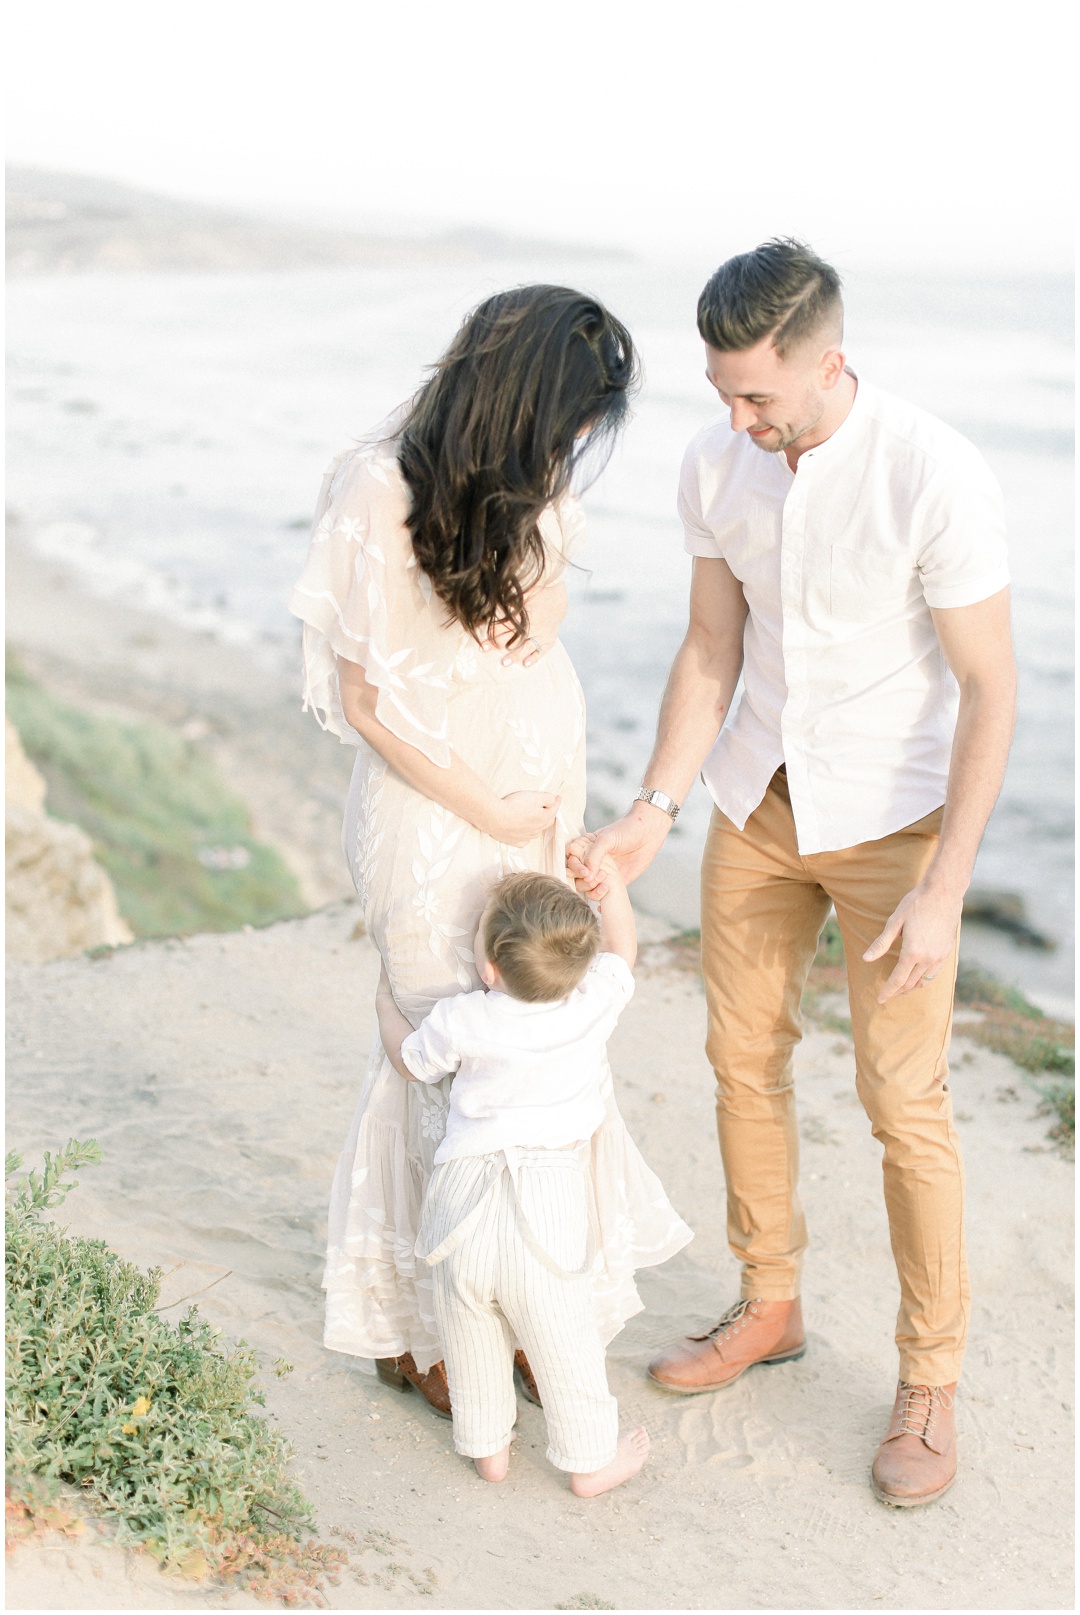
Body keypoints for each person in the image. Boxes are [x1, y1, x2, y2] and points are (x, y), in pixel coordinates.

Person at [570, 239, 1016, 1508]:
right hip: (755, 805)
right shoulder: (718, 464)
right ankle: (770, 1303)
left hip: (894, 826)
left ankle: (929, 1375)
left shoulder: (935, 473)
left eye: (758, 397)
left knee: (903, 1103)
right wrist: (655, 806)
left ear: (828, 361)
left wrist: (945, 888)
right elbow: (710, 647)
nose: (737, 419)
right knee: (739, 1059)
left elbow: (991, 688)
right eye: (722, 394)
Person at [289, 285, 691, 1417]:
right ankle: (423, 1322)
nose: (575, 447)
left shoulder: (533, 484)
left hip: (538, 796)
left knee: (542, 1033)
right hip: (433, 814)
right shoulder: (375, 485)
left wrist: (542, 808)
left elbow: (535, 634)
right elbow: (368, 700)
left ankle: (518, 1295)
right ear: (521, 396)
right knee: (442, 1043)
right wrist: (490, 806)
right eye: (570, 423)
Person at [374, 868, 656, 1496]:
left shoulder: (464, 1018)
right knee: (564, 1335)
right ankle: (588, 1462)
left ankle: (489, 1451)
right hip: (546, 1201)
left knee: (468, 1324)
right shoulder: (591, 1005)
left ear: (491, 969)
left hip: (461, 1195)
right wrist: (609, 885)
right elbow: (625, 951)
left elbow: (411, 1061)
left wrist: (386, 1007)